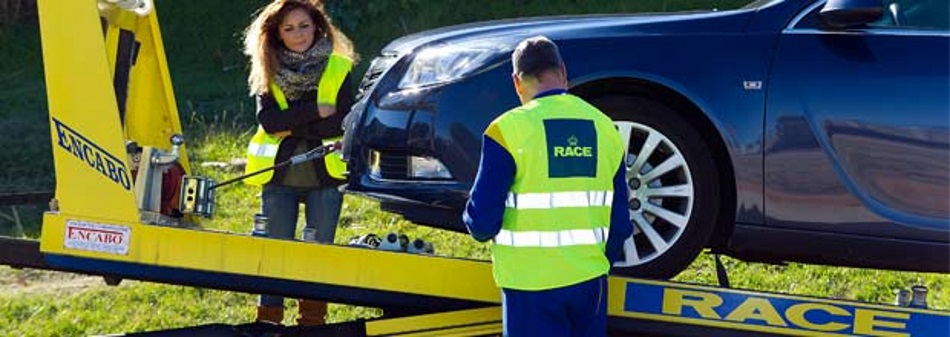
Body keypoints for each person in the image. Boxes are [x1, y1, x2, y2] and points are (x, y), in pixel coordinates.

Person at [463, 36, 633, 336]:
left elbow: (482, 223)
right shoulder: (605, 127)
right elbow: (620, 221)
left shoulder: (505, 131)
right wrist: (596, 263)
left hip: (529, 286)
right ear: (563, 72)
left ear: (517, 82)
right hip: (589, 282)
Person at [241, 0, 357, 325]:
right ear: (277, 34)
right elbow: (268, 121)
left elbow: (341, 123)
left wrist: (291, 123)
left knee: (318, 254)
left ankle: (312, 321)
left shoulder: (338, 66)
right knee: (275, 253)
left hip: (326, 179)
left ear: (317, 26)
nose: (298, 34)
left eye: (304, 26)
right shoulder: (267, 67)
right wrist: (316, 113)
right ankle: (268, 321)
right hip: (279, 179)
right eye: (289, 29)